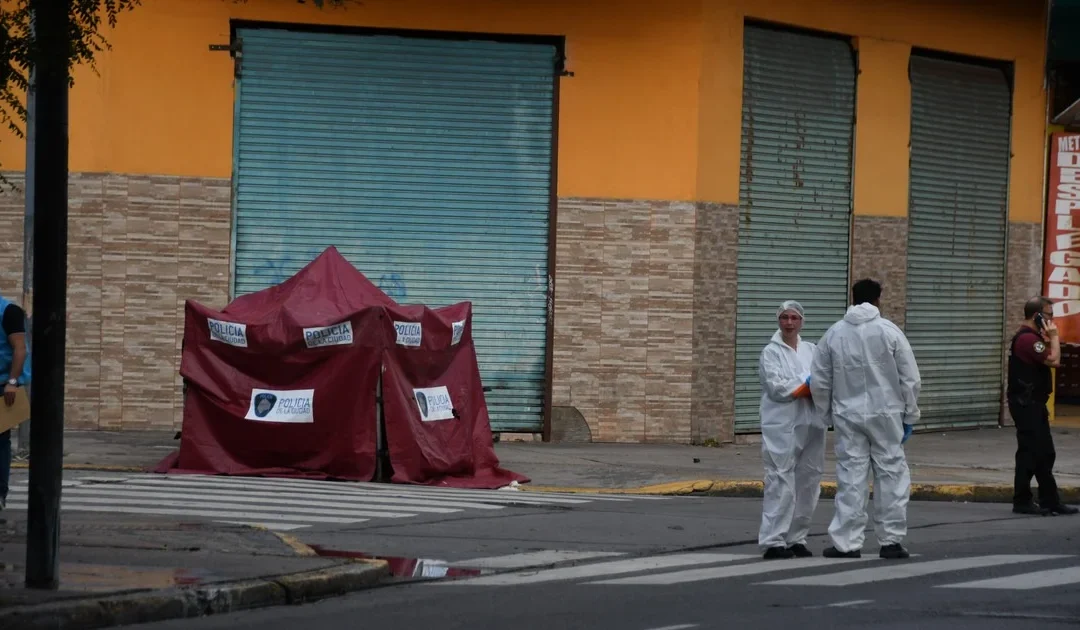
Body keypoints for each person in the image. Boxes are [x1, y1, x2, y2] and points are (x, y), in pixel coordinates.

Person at [810, 279, 920, 560]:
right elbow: (910, 378)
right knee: (892, 475)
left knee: (851, 477)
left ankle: (846, 543)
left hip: (848, 415)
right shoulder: (890, 332)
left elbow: (820, 380)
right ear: (878, 299)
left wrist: (826, 415)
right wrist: (910, 415)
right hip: (887, 415)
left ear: (853, 297)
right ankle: (891, 542)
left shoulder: (834, 334)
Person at [757, 300, 826, 560]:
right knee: (780, 480)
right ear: (778, 320)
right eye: (784, 317)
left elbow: (825, 378)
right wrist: (806, 386)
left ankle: (797, 538)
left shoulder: (811, 350)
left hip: (812, 424)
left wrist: (813, 386)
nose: (789, 323)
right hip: (782, 426)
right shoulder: (770, 353)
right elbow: (777, 387)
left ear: (801, 322)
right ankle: (774, 541)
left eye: (794, 318)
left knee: (809, 480)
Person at [1007, 297, 1078, 516]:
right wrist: (1055, 336)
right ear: (1037, 315)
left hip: (1033, 404)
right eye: (1048, 315)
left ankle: (1050, 500)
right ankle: (1022, 501)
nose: (1051, 320)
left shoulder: (1033, 338)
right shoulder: (1028, 340)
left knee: (1044, 453)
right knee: (1029, 453)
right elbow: (1054, 360)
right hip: (1026, 405)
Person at [0, 293, 30, 512]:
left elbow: (20, 348)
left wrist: (12, 382)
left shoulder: (9, 311)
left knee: (0, 440)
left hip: (3, 385)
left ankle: (0, 494)